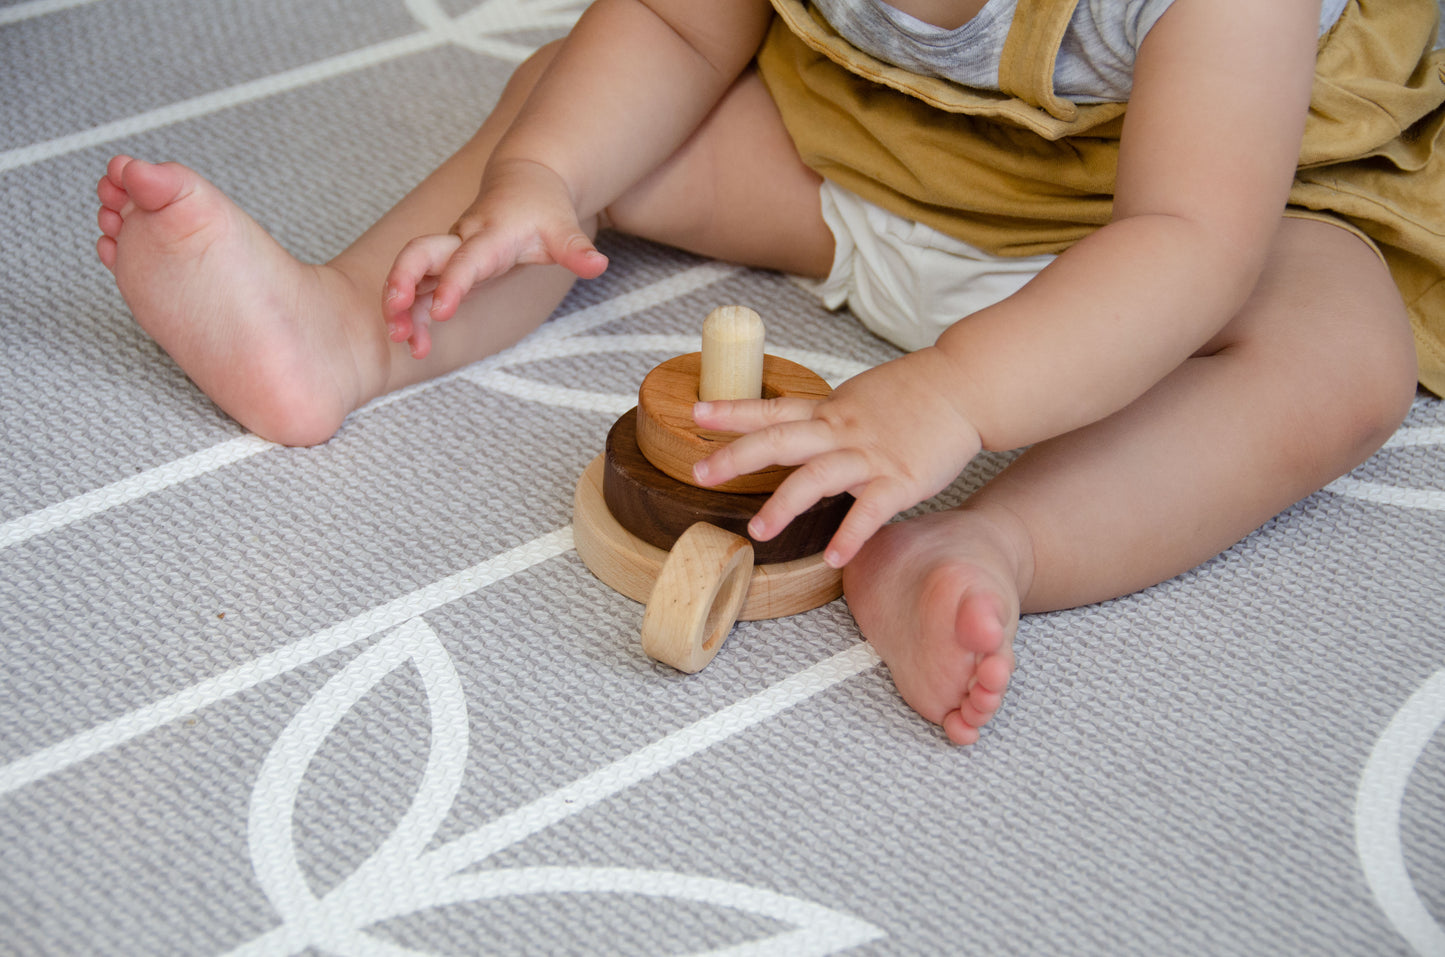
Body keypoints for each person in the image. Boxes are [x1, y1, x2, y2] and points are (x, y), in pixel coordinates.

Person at [95, 0, 1445, 745]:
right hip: (855, 168)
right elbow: (679, 32)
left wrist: (948, 398)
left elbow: (1188, 239)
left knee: (1337, 349)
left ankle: (984, 545)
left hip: (1146, 237)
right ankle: (341, 329)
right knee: (579, 90)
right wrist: (544, 181)